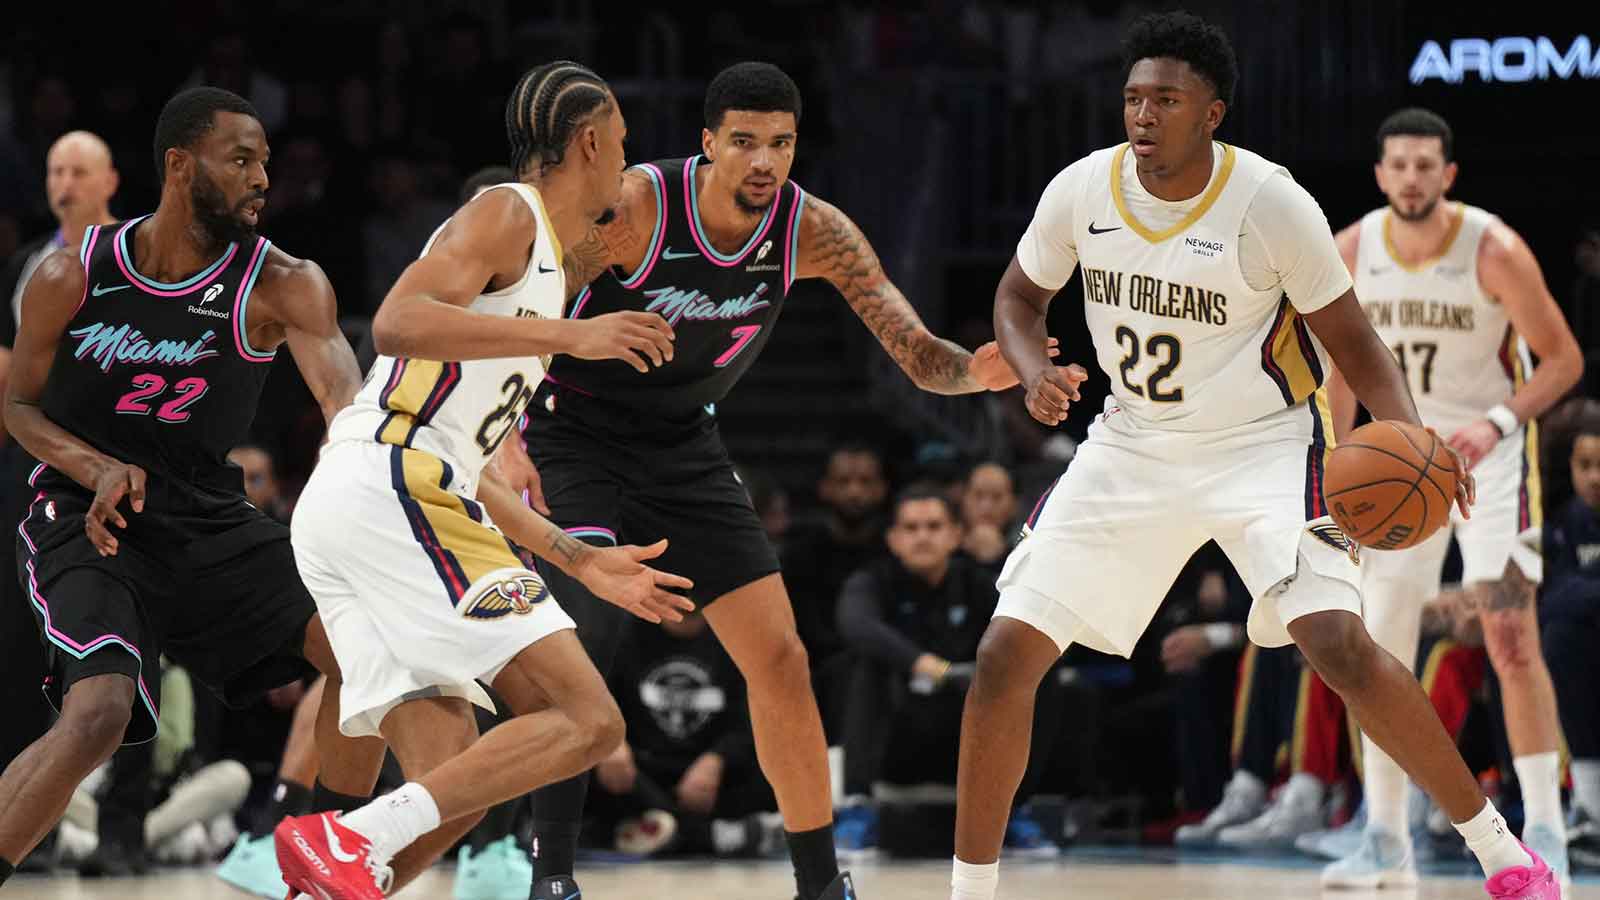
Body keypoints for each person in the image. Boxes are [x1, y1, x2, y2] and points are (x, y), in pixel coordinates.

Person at [947, 12, 1560, 900]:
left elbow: (1357, 346)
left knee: (1340, 645)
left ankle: (1505, 857)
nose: (1144, 115)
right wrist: (1033, 370)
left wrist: (1416, 442)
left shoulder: (1271, 204)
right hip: (1132, 443)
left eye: (1167, 100)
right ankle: (969, 892)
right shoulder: (1082, 190)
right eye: (1134, 98)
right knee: (1005, 653)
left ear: (1212, 114)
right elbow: (1016, 298)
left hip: (1264, 447)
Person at [525, 61, 1038, 900]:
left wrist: (971, 375)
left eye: (781, 143)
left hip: (683, 444)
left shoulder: (812, 230)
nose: (764, 160)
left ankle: (820, 884)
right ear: (708, 143)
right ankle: (551, 877)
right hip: (575, 432)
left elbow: (916, 353)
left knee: (781, 657)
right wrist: (508, 436)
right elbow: (522, 315)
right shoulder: (639, 208)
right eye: (744, 142)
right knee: (587, 642)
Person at [273, 61, 695, 900]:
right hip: (392, 481)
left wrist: (579, 559)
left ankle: (336, 865)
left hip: (379, 491)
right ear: (588, 143)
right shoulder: (509, 210)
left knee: (462, 778)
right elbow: (395, 323)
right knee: (586, 719)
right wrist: (573, 340)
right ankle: (348, 837)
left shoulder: (549, 278)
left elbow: (467, 471)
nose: (626, 161)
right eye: (621, 144)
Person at [0, 86, 384, 887]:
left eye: (264, 162)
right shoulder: (72, 273)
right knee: (100, 715)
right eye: (240, 160)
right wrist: (95, 467)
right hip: (84, 512)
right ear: (180, 166)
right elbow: (19, 407)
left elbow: (346, 410)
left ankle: (322, 869)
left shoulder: (284, 282)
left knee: (367, 649)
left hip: (208, 514)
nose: (261, 178)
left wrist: (362, 475)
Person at [1321, 107, 1585, 889]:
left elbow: (1564, 360)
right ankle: (1383, 838)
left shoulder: (1493, 248)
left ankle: (1546, 832)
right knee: (1378, 649)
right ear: (1380, 174)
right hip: (1398, 461)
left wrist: (1494, 423)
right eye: (1399, 165)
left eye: (1425, 165)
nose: (1412, 178)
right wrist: (1330, 476)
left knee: (1510, 637)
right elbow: (1337, 373)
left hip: (1489, 457)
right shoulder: (1350, 250)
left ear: (1449, 174)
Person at [1543, 408, 1600, 870]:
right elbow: (1550, 598)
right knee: (1556, 640)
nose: (1595, 477)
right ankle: (1588, 808)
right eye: (1585, 465)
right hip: (1582, 643)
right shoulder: (1561, 523)